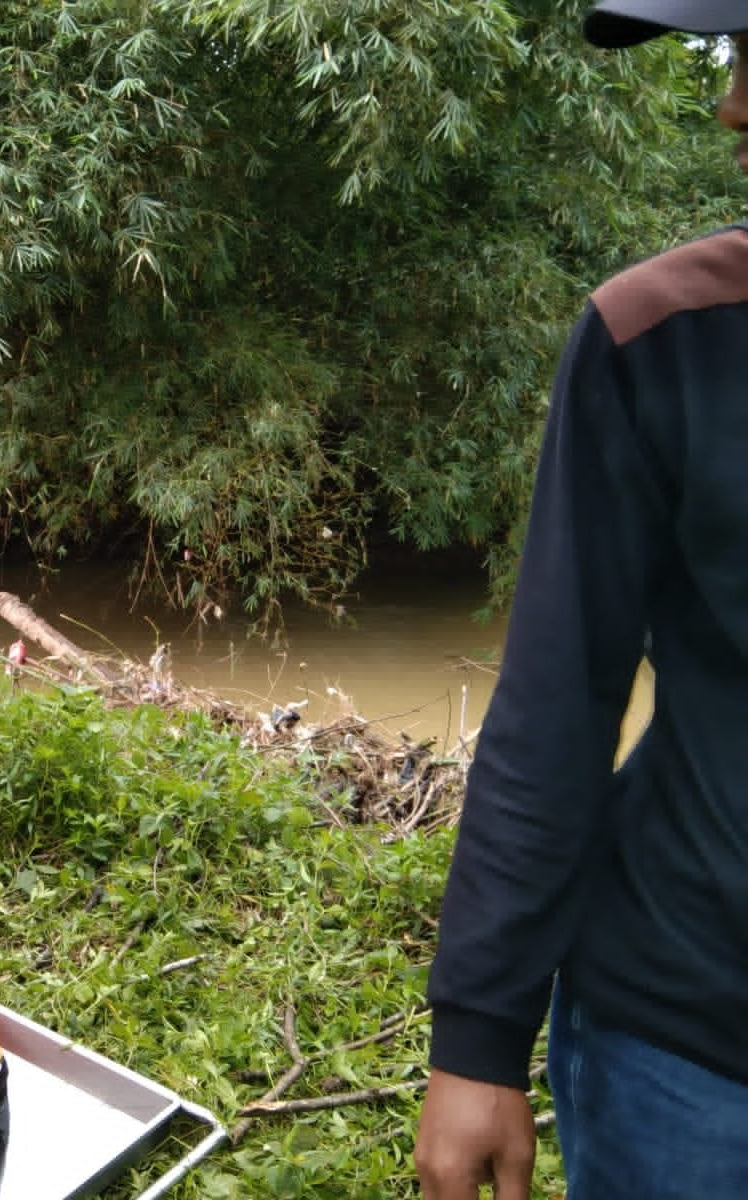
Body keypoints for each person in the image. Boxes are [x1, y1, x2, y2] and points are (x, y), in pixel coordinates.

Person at [417, 4, 748, 1197]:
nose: (732, 103)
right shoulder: (659, 338)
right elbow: (558, 701)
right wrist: (476, 1035)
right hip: (685, 1044)